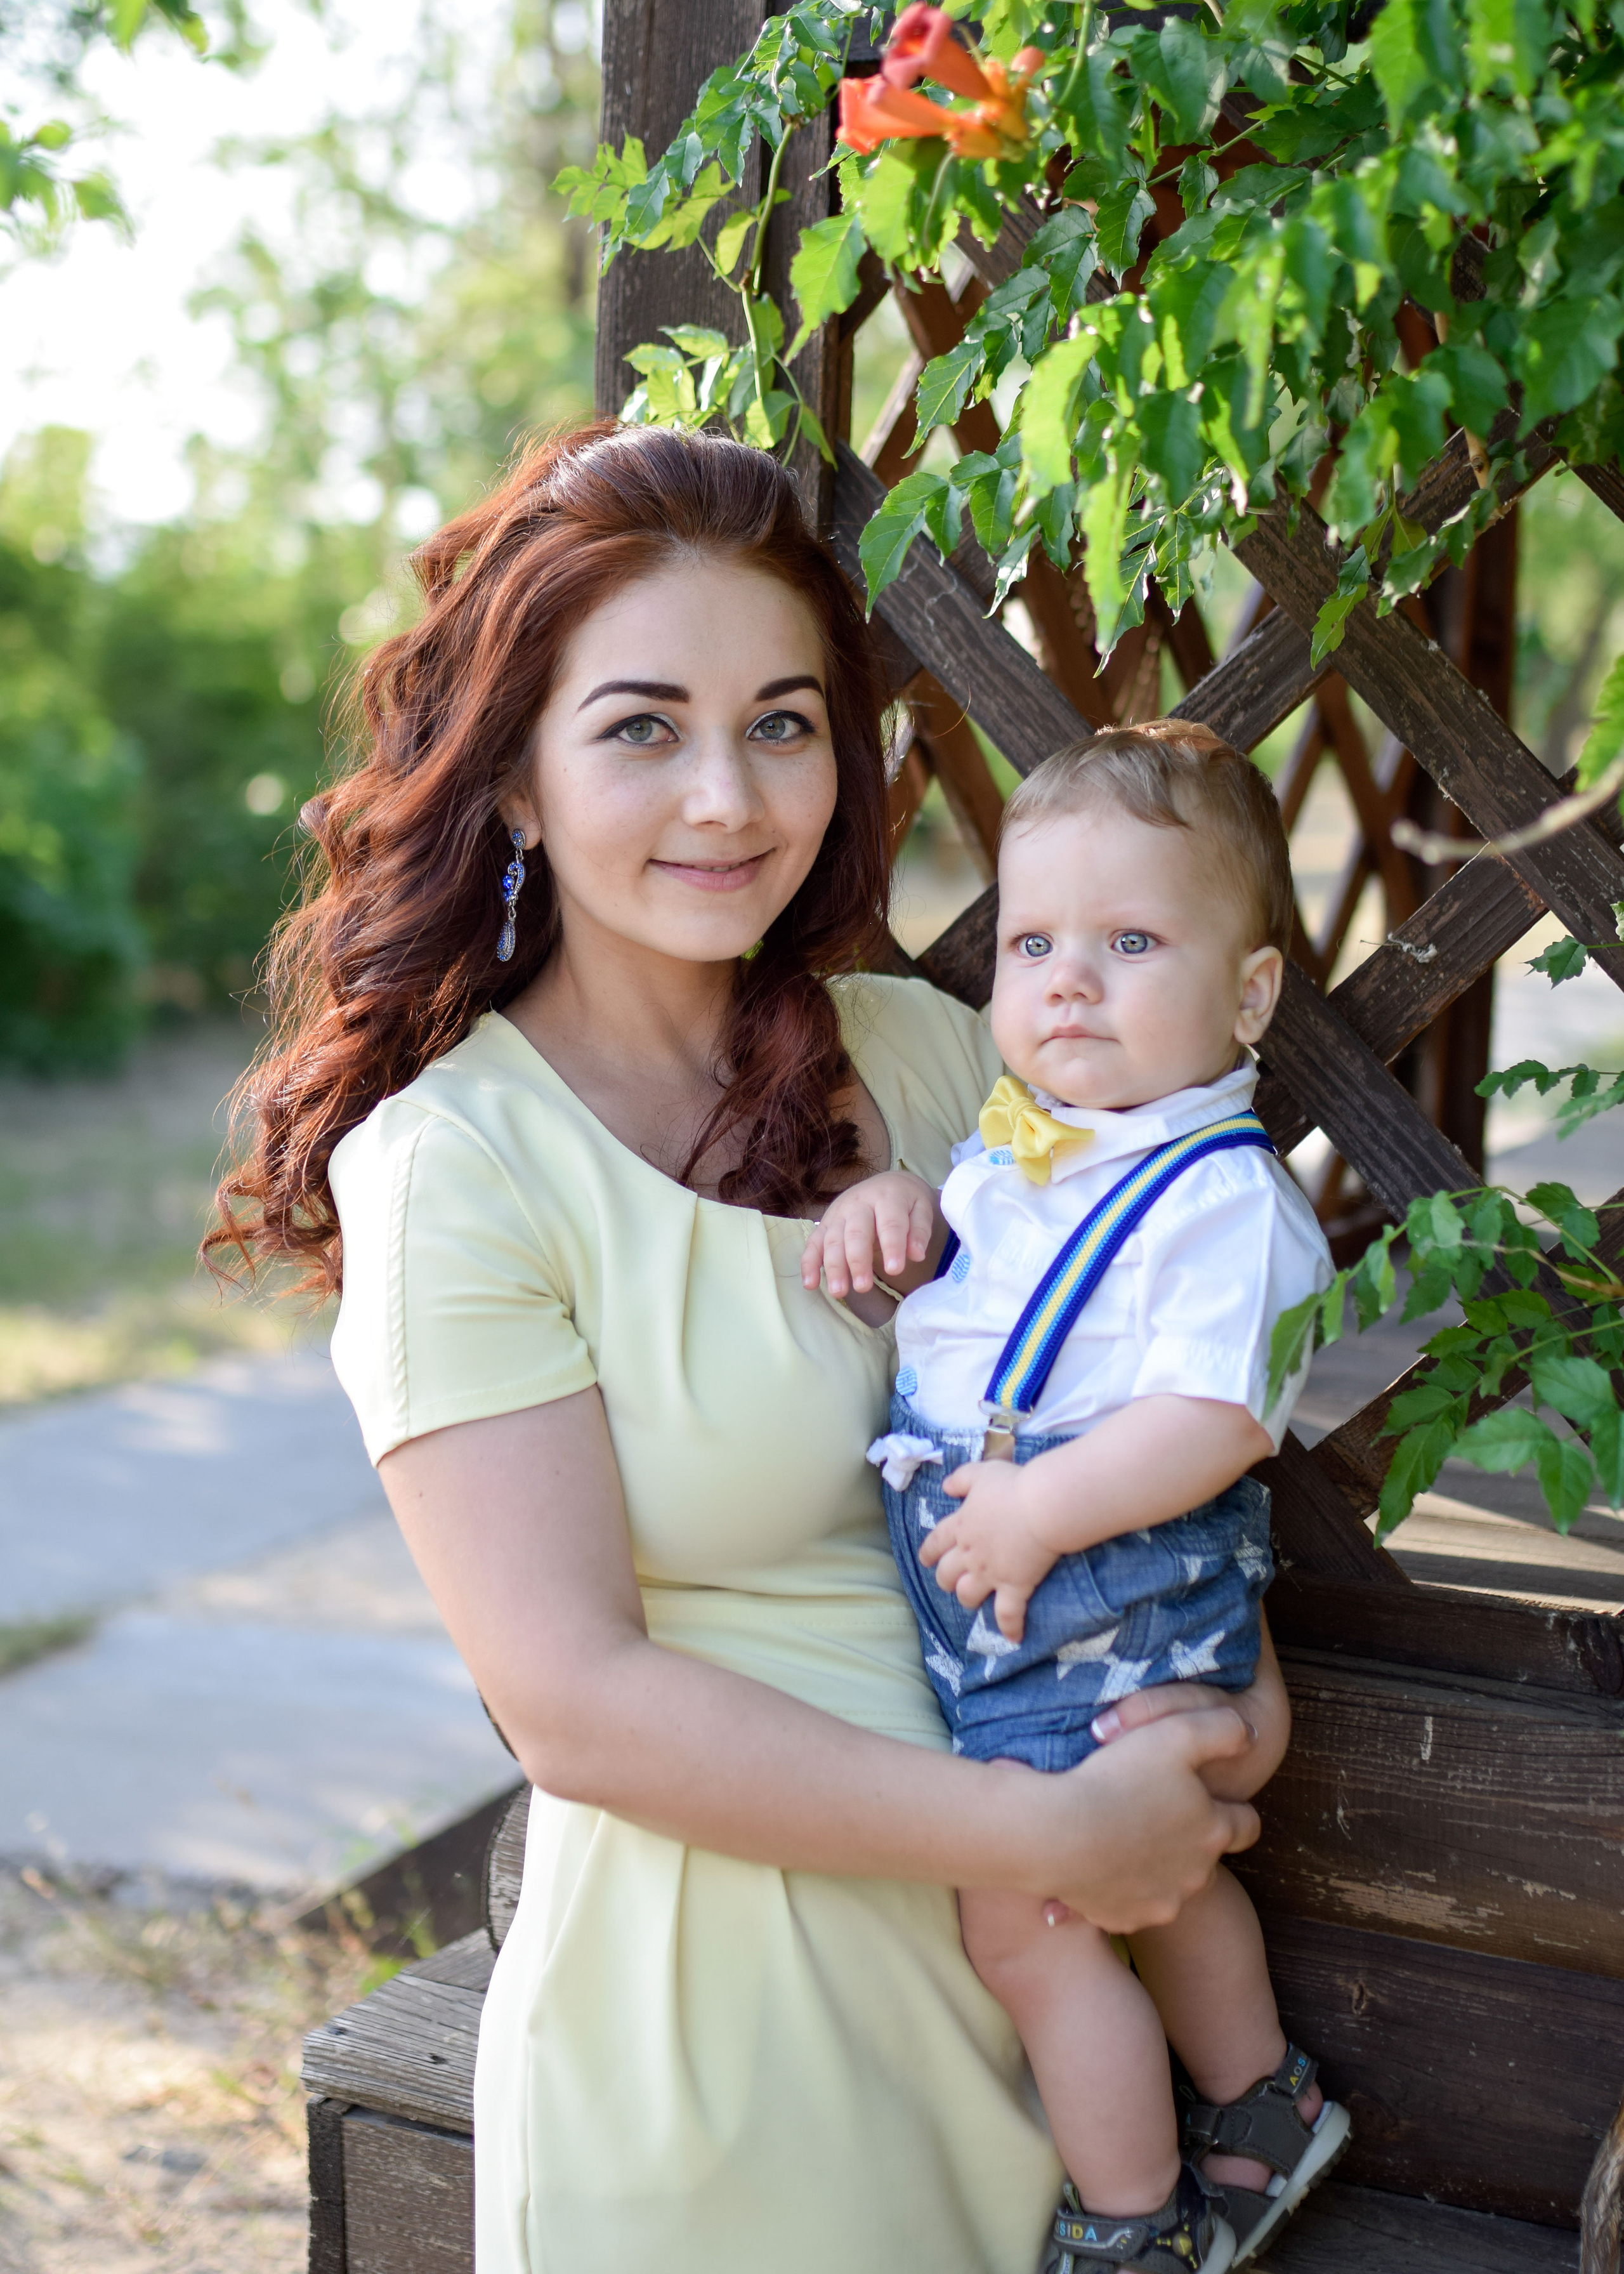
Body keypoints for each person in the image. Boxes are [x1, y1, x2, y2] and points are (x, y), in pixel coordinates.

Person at [212, 424, 1292, 2274]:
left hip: (1032, 2029)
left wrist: (1220, 1689)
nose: (728, 797)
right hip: (716, 2059)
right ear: (521, 779)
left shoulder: (945, 1060)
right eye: (643, 726)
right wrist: (1066, 1837)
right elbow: (574, 1701)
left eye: (784, 723)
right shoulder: (456, 1170)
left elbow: (1150, 1366)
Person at [802, 726, 1350, 2273]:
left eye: (1128, 942)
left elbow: (1213, 1417)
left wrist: (1042, 1513)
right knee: (1158, 1886)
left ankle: (1129, 2222)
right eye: (1034, 942)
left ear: (1245, 995)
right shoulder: (1022, 1154)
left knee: (1027, 1931)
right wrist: (901, 1206)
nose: (1067, 982)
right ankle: (1262, 2103)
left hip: (1094, 1573)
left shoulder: (1219, 1198)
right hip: (1015, 1590)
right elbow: (972, 1322)